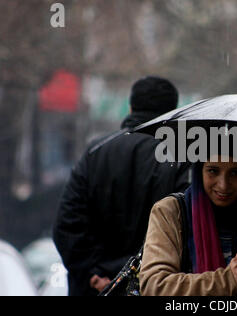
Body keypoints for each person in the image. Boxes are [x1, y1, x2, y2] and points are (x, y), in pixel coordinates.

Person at [53, 76, 190, 296]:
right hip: (151, 287)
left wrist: (93, 274)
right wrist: (135, 277)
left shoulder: (95, 152)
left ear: (130, 107)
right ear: (173, 112)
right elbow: (182, 230)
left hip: (93, 288)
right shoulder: (180, 159)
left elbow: (67, 225)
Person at [139, 154, 237, 296]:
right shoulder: (171, 213)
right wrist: (227, 281)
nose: (223, 185)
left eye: (235, 173)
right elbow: (154, 286)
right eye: (213, 171)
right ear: (199, 170)